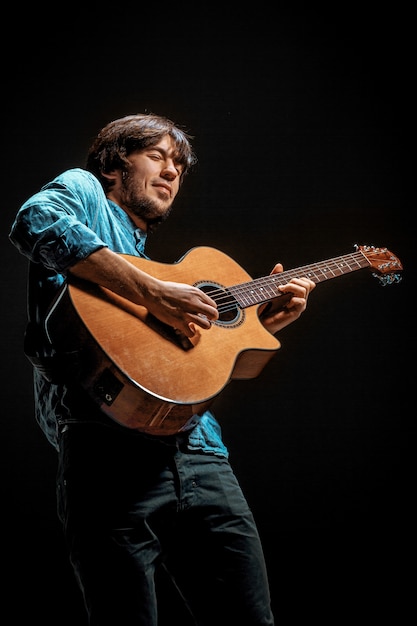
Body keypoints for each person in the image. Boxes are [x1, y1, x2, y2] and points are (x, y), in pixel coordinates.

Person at [9, 113, 315, 626]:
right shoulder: (86, 192)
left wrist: (263, 328)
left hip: (199, 453)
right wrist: (151, 292)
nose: (172, 172)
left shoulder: (156, 266)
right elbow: (36, 221)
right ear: (114, 165)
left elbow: (186, 367)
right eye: (157, 156)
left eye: (179, 165)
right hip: (104, 453)